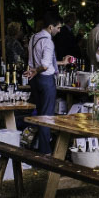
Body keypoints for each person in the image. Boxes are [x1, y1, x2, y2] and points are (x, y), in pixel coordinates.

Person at [25, 12, 63, 153]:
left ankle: (38, 146)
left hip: (35, 81)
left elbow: (35, 61)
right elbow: (45, 65)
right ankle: (45, 151)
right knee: (46, 117)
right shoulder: (48, 41)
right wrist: (37, 70)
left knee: (40, 114)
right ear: (50, 27)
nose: (59, 31)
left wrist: (60, 62)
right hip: (46, 79)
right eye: (58, 28)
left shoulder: (34, 37)